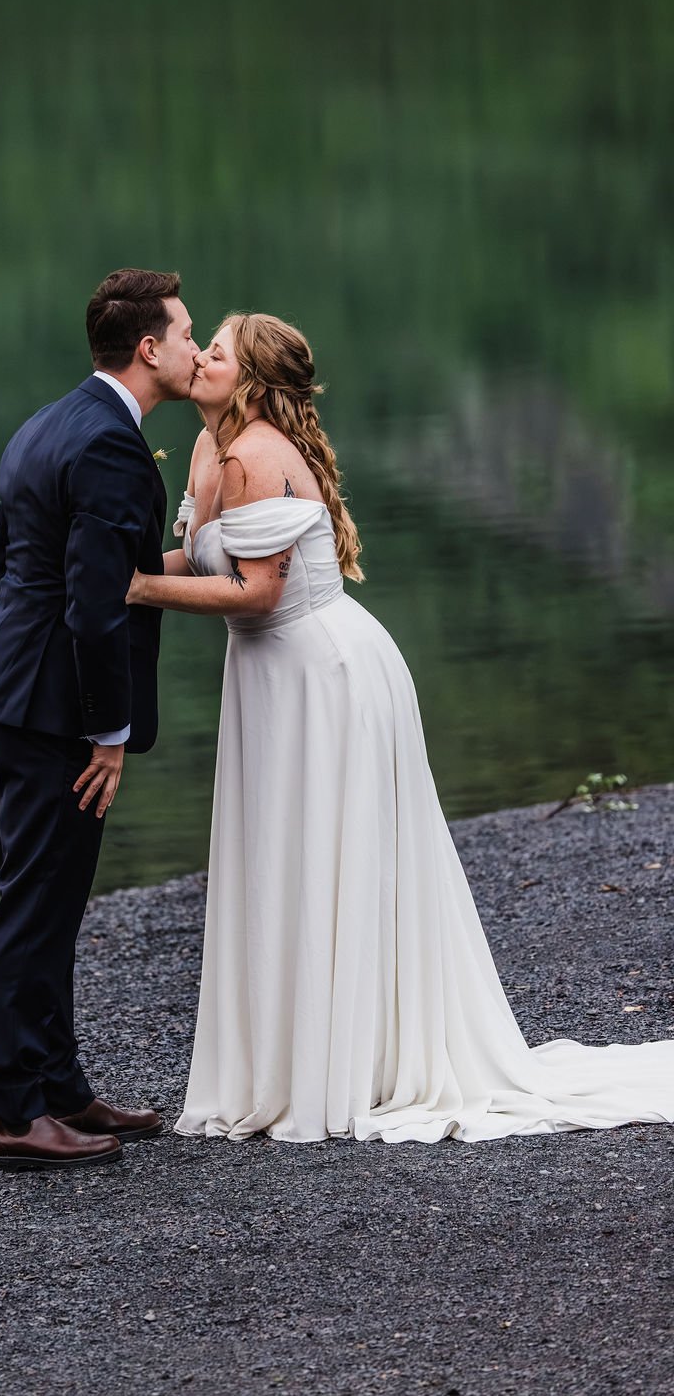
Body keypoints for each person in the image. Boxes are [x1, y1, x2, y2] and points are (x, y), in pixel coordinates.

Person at [127, 312, 674, 1144]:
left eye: (218, 349)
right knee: (289, 854)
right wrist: (108, 569)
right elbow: (203, 561)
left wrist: (130, 591)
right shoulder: (208, 450)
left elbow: (256, 593)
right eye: (203, 343)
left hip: (323, 673)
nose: (200, 355)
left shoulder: (250, 455)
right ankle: (308, 1054)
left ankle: (342, 1065)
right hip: (274, 676)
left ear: (251, 381)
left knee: (325, 852)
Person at [0, 268, 199, 1169]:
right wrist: (109, 730)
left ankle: (59, 1087)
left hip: (6, 688)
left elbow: (2, 570)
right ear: (147, 347)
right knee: (35, 901)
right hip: (53, 708)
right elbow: (97, 604)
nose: (193, 345)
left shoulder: (48, 422)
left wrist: (12, 673)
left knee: (46, 896)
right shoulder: (107, 446)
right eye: (184, 332)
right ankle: (12, 1115)